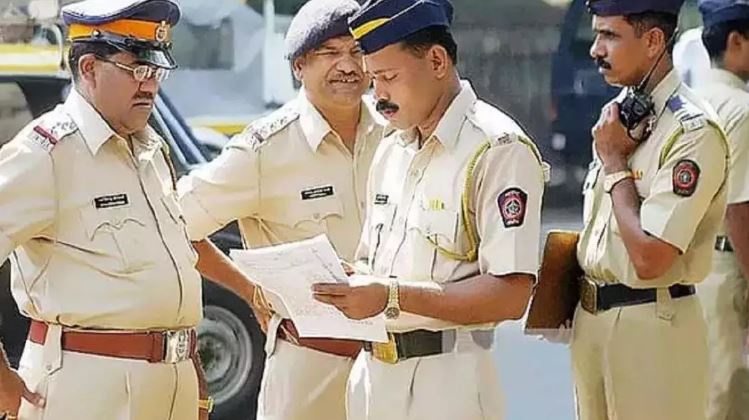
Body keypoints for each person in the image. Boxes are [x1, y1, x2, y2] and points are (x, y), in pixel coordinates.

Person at [311, 1, 547, 419]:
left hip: (447, 382)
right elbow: (373, 264)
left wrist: (390, 296)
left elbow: (511, 294)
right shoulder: (392, 149)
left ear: (437, 61)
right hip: (373, 379)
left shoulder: (496, 149)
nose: (379, 96)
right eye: (373, 80)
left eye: (389, 77)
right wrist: (348, 282)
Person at [176, 0, 389, 418]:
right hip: (311, 365)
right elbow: (174, 223)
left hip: (396, 366)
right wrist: (249, 289)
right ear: (298, 66)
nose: (348, 66)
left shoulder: (398, 136)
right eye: (330, 53)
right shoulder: (265, 149)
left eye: (358, 51)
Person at [0, 0, 211, 419]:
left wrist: (191, 370)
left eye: (157, 71)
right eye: (137, 69)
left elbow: (171, 274)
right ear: (90, 68)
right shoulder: (46, 153)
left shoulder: (150, 150)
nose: (150, 85)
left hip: (172, 384)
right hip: (88, 385)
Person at [572, 1, 729, 419]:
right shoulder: (619, 116)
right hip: (591, 322)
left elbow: (651, 258)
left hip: (651, 327)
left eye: (609, 35)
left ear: (654, 40)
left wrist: (615, 164)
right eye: (597, 34)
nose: (595, 49)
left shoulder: (692, 131)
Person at [694, 2, 749, 419]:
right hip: (729, 266)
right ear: (736, 42)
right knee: (729, 397)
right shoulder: (741, 110)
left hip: (691, 266)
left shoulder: (691, 101)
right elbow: (740, 209)